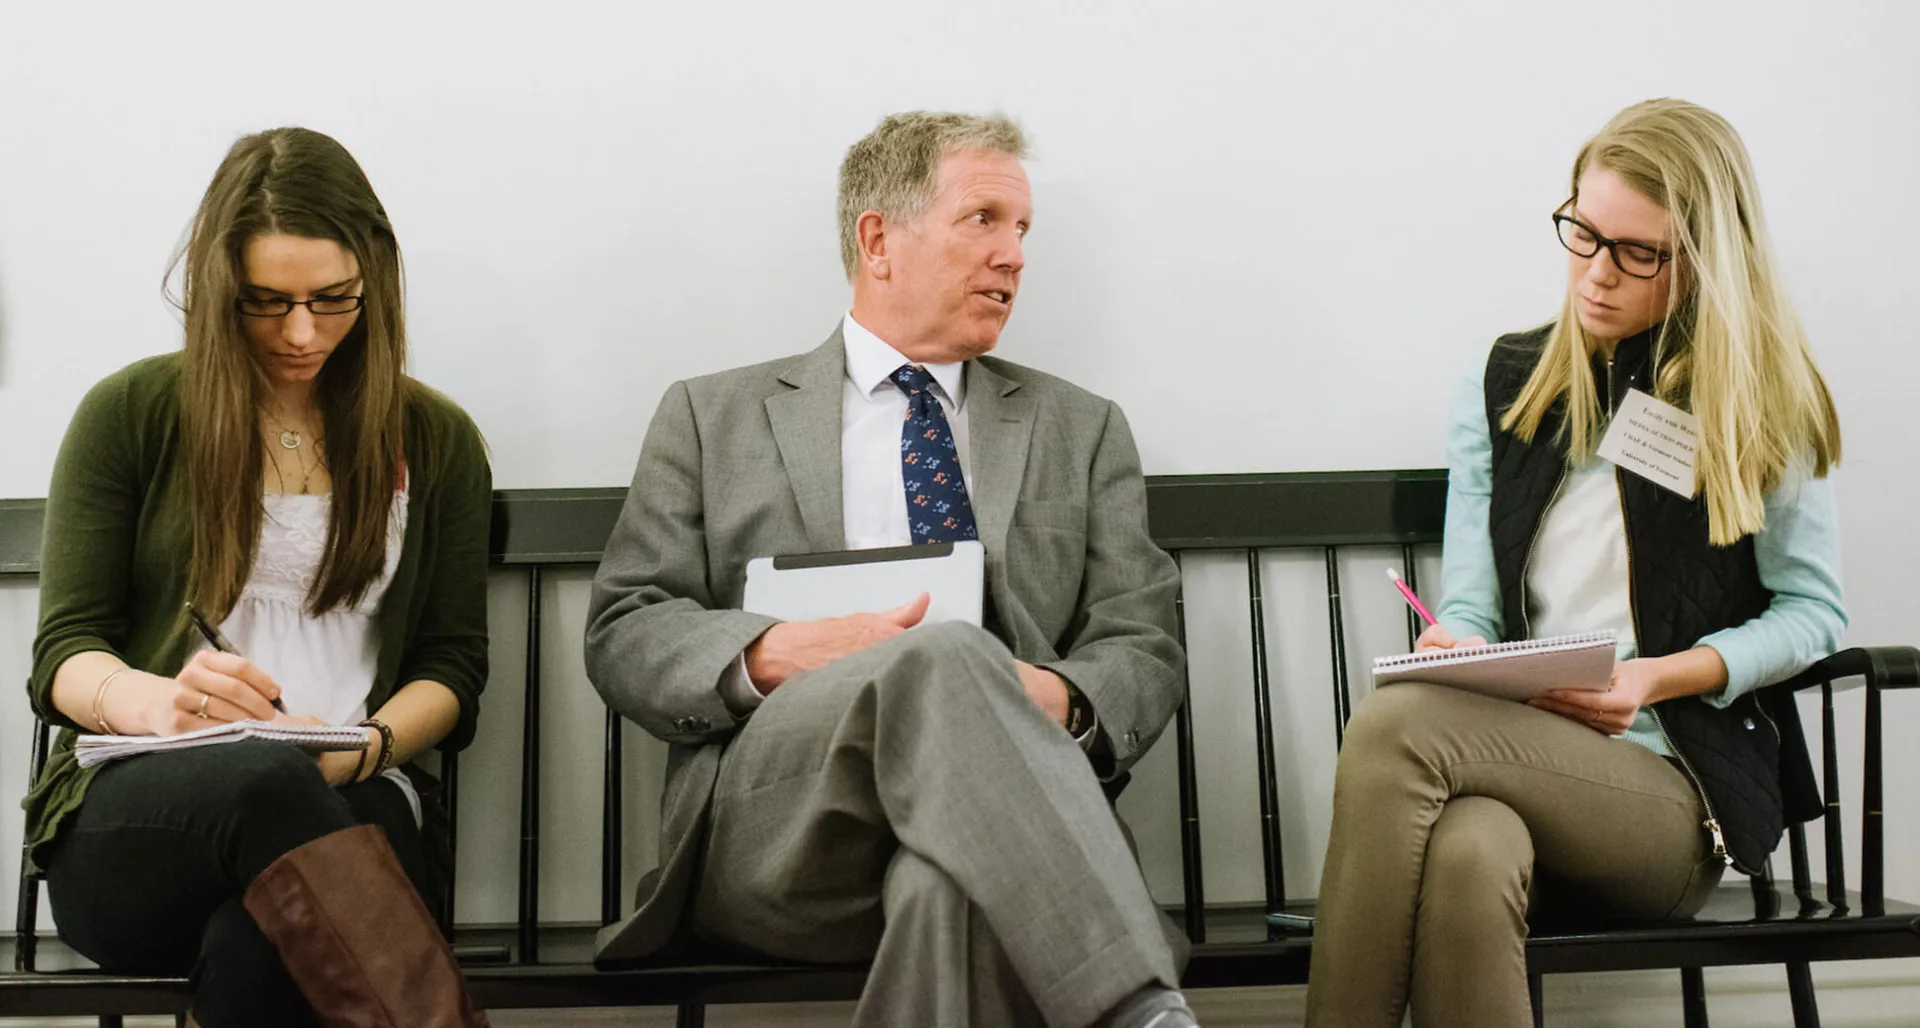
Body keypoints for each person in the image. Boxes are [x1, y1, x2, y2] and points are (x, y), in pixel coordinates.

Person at [586, 111, 1198, 1027]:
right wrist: (769, 655)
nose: (1015, 255)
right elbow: (625, 626)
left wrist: (1060, 702)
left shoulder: (1082, 427)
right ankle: (1138, 1006)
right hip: (782, 825)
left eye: (1023, 229)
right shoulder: (711, 416)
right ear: (879, 239)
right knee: (948, 654)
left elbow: (1142, 636)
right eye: (984, 220)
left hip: (1005, 820)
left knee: (947, 883)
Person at [1304, 97, 1846, 1027]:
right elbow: (1474, 602)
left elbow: (1814, 613)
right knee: (1471, 850)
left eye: (1638, 253)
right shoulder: (1506, 382)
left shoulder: (1760, 402)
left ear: (1707, 260)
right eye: (1583, 234)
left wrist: (1655, 678)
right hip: (1520, 762)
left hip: (1674, 791)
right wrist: (1458, 645)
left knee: (1398, 727)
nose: (1597, 274)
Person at [25, 127, 492, 1027]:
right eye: (265, 303)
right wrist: (158, 703)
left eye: (334, 299)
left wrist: (365, 748)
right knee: (266, 781)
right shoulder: (131, 413)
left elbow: (452, 668)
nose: (302, 333)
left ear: (376, 283)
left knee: (266, 937)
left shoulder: (432, 438)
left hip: (358, 783)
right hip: (144, 810)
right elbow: (63, 653)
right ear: (214, 291)